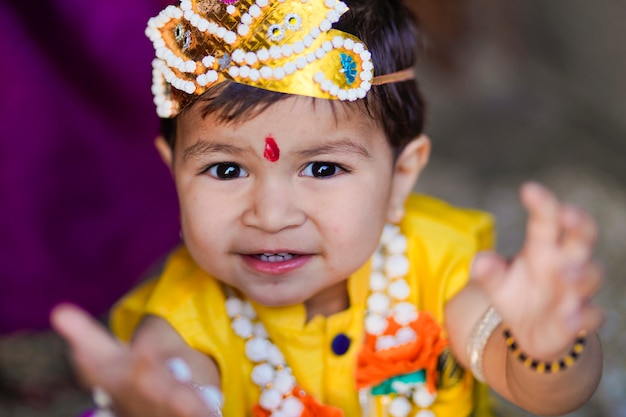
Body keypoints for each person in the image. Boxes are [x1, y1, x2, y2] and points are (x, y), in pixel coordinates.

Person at [51, 0, 604, 416]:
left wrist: (544, 346)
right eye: (225, 169)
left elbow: (539, 386)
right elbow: (177, 385)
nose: (270, 215)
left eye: (322, 169)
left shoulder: (441, 263)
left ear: (399, 178)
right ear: (172, 170)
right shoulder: (181, 319)